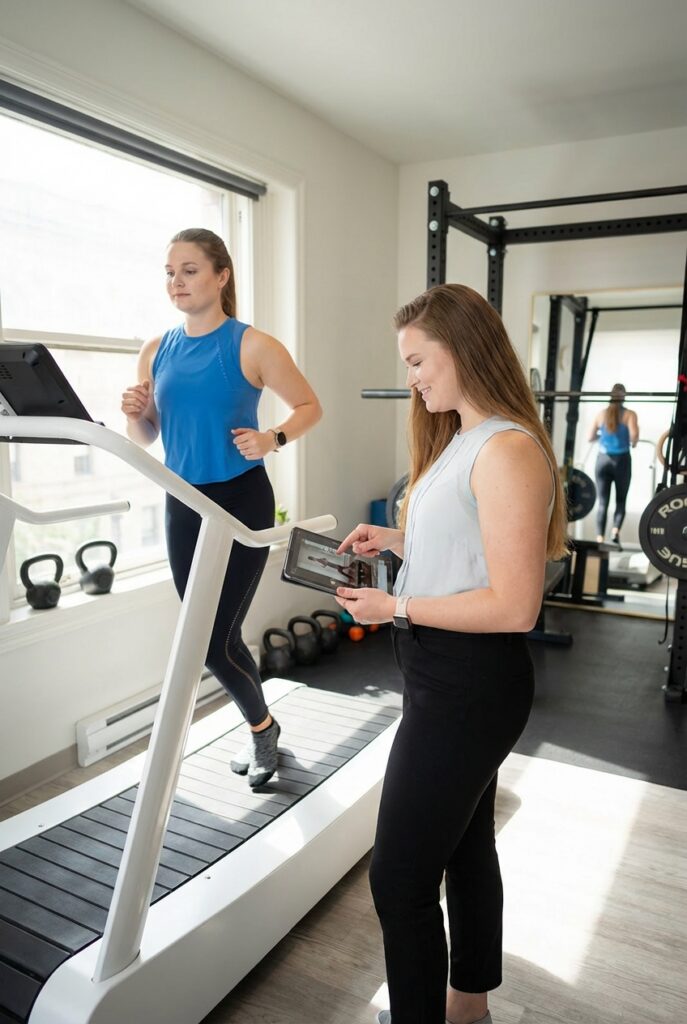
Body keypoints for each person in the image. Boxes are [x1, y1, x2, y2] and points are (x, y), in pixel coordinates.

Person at [335, 283, 568, 1024]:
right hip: (441, 676)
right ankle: (467, 1008)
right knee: (464, 850)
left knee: (398, 881)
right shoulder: (464, 438)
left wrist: (392, 604)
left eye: (417, 361)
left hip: (469, 683)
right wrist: (397, 542)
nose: (411, 378)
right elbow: (469, 537)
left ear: (462, 351)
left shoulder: (505, 448)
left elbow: (513, 604)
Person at [121, 227, 321, 788]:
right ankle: (265, 729)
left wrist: (273, 439)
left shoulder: (252, 345)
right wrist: (136, 410)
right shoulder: (156, 349)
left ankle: (262, 732)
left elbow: (309, 406)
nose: (176, 282)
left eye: (189, 270)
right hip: (183, 502)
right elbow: (144, 438)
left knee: (212, 640)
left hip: (239, 498)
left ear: (221, 276)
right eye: (169, 272)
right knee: (210, 636)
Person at [588, 383, 639, 549]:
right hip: (621, 461)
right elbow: (634, 437)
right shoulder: (630, 415)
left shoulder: (601, 414)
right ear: (624, 396)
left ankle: (600, 538)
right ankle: (615, 533)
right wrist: (633, 442)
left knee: (602, 502)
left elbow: (590, 437)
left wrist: (602, 436)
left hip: (602, 460)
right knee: (621, 500)